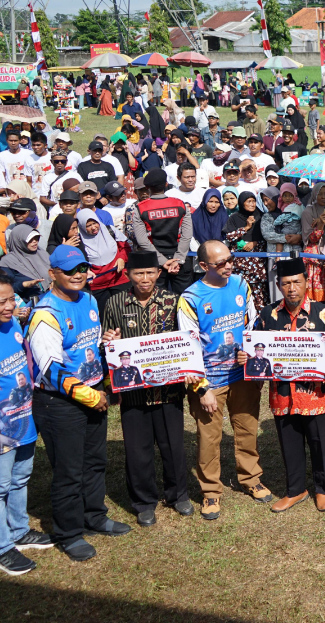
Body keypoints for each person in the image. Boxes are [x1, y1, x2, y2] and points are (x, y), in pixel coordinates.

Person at [29, 246, 129, 562]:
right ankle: (69, 533)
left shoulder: (87, 300)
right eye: (70, 270)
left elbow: (87, 344)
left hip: (93, 393)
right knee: (69, 471)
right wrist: (91, 396)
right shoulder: (45, 314)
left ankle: (94, 515)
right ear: (53, 274)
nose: (78, 275)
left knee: (95, 461)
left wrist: (106, 341)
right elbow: (51, 369)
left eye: (82, 269)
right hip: (60, 402)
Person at [178, 240, 268, 521]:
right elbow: (188, 347)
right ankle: (211, 491)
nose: (229, 265)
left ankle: (251, 477)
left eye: (230, 259)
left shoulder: (241, 284)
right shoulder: (190, 298)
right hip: (210, 382)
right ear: (204, 266)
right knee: (209, 438)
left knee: (247, 428)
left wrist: (252, 357)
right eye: (221, 263)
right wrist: (201, 388)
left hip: (243, 376)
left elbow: (253, 325)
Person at [101, 251, 192, 527]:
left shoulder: (173, 301)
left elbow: (187, 339)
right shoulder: (115, 303)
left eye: (150, 272)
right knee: (137, 449)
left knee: (173, 445)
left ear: (159, 273)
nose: (145, 279)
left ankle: (178, 494)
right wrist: (108, 340)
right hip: (133, 392)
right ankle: (143, 501)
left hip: (168, 389)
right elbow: (105, 346)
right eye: (139, 273)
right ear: (128, 274)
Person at [248, 258, 325, 514]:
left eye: (297, 282)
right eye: (286, 283)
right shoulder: (268, 315)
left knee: (319, 441)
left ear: (306, 283)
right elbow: (255, 346)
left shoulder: (324, 313)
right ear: (278, 285)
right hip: (283, 393)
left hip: (315, 393)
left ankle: (323, 489)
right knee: (289, 441)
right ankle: (296, 489)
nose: (291, 288)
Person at [0, 274, 50, 575]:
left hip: (24, 418)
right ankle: (3, 547)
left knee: (20, 478)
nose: (10, 306)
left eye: (10, 299)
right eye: (2, 302)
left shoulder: (13, 326)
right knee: (0, 486)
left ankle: (19, 530)